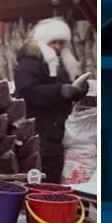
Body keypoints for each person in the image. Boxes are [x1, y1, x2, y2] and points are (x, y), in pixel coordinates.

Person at [13, 17, 90, 183]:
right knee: (40, 179)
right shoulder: (28, 63)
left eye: (61, 43)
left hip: (54, 133)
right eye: (54, 42)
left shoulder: (60, 63)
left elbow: (65, 92)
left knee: (52, 178)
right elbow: (27, 93)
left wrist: (78, 90)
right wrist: (60, 91)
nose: (57, 47)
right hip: (37, 133)